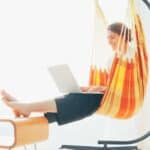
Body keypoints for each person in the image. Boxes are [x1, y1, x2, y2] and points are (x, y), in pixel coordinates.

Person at [0, 22, 131, 125]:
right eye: (108, 38)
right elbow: (109, 86)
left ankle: (28, 108)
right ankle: (30, 110)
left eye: (112, 37)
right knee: (76, 96)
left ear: (123, 35)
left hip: (123, 100)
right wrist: (87, 88)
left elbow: (126, 88)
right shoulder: (111, 60)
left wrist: (101, 89)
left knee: (86, 100)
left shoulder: (134, 58)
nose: (109, 42)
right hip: (107, 97)